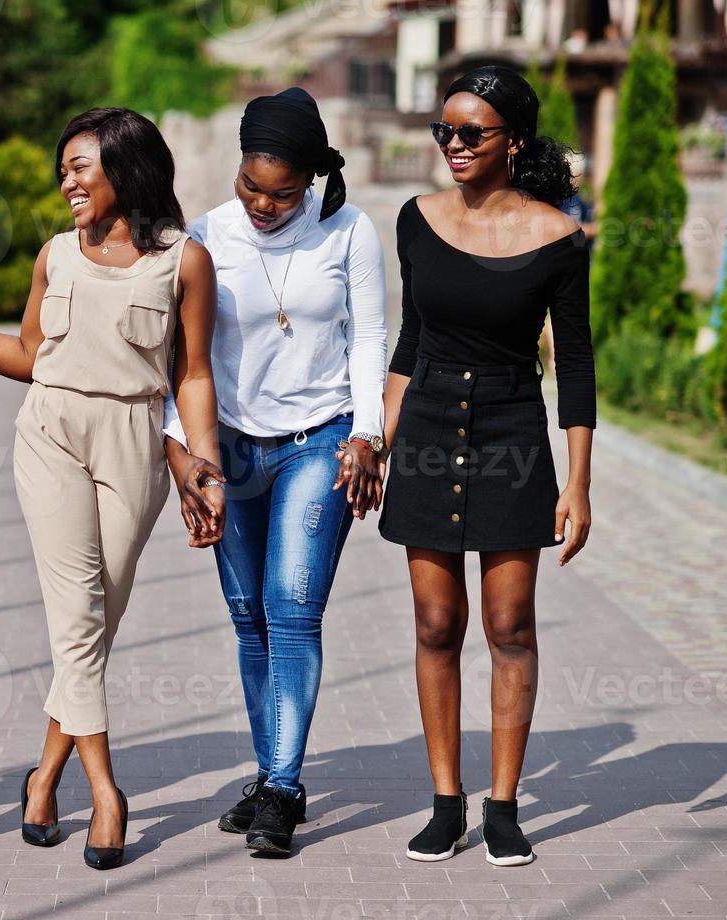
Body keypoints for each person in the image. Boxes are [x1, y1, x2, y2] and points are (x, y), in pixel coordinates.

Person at [0, 107, 222, 870]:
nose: (66, 182)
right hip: (50, 432)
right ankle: (106, 791)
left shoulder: (183, 262)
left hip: (133, 443)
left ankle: (43, 777)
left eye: (78, 166)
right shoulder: (54, 254)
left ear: (125, 168)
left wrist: (202, 464)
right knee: (77, 616)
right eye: (64, 169)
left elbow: (190, 375)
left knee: (93, 624)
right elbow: (29, 355)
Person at [161, 87, 388, 856]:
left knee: (291, 606)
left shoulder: (349, 231)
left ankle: (284, 788)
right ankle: (270, 772)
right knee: (247, 614)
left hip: (317, 440)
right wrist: (185, 456)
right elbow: (183, 359)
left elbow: (369, 339)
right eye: (250, 186)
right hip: (229, 448)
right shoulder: (206, 236)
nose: (262, 203)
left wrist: (369, 436)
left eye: (281, 192)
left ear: (311, 181)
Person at [379, 66, 595, 867]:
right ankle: (445, 803)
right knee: (437, 625)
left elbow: (573, 365)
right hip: (430, 426)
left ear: (513, 139)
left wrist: (577, 482)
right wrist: (379, 440)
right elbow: (410, 342)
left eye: (472, 132)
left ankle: (502, 807)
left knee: (509, 626)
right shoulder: (414, 219)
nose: (455, 145)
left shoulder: (559, 238)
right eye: (445, 131)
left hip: (511, 434)